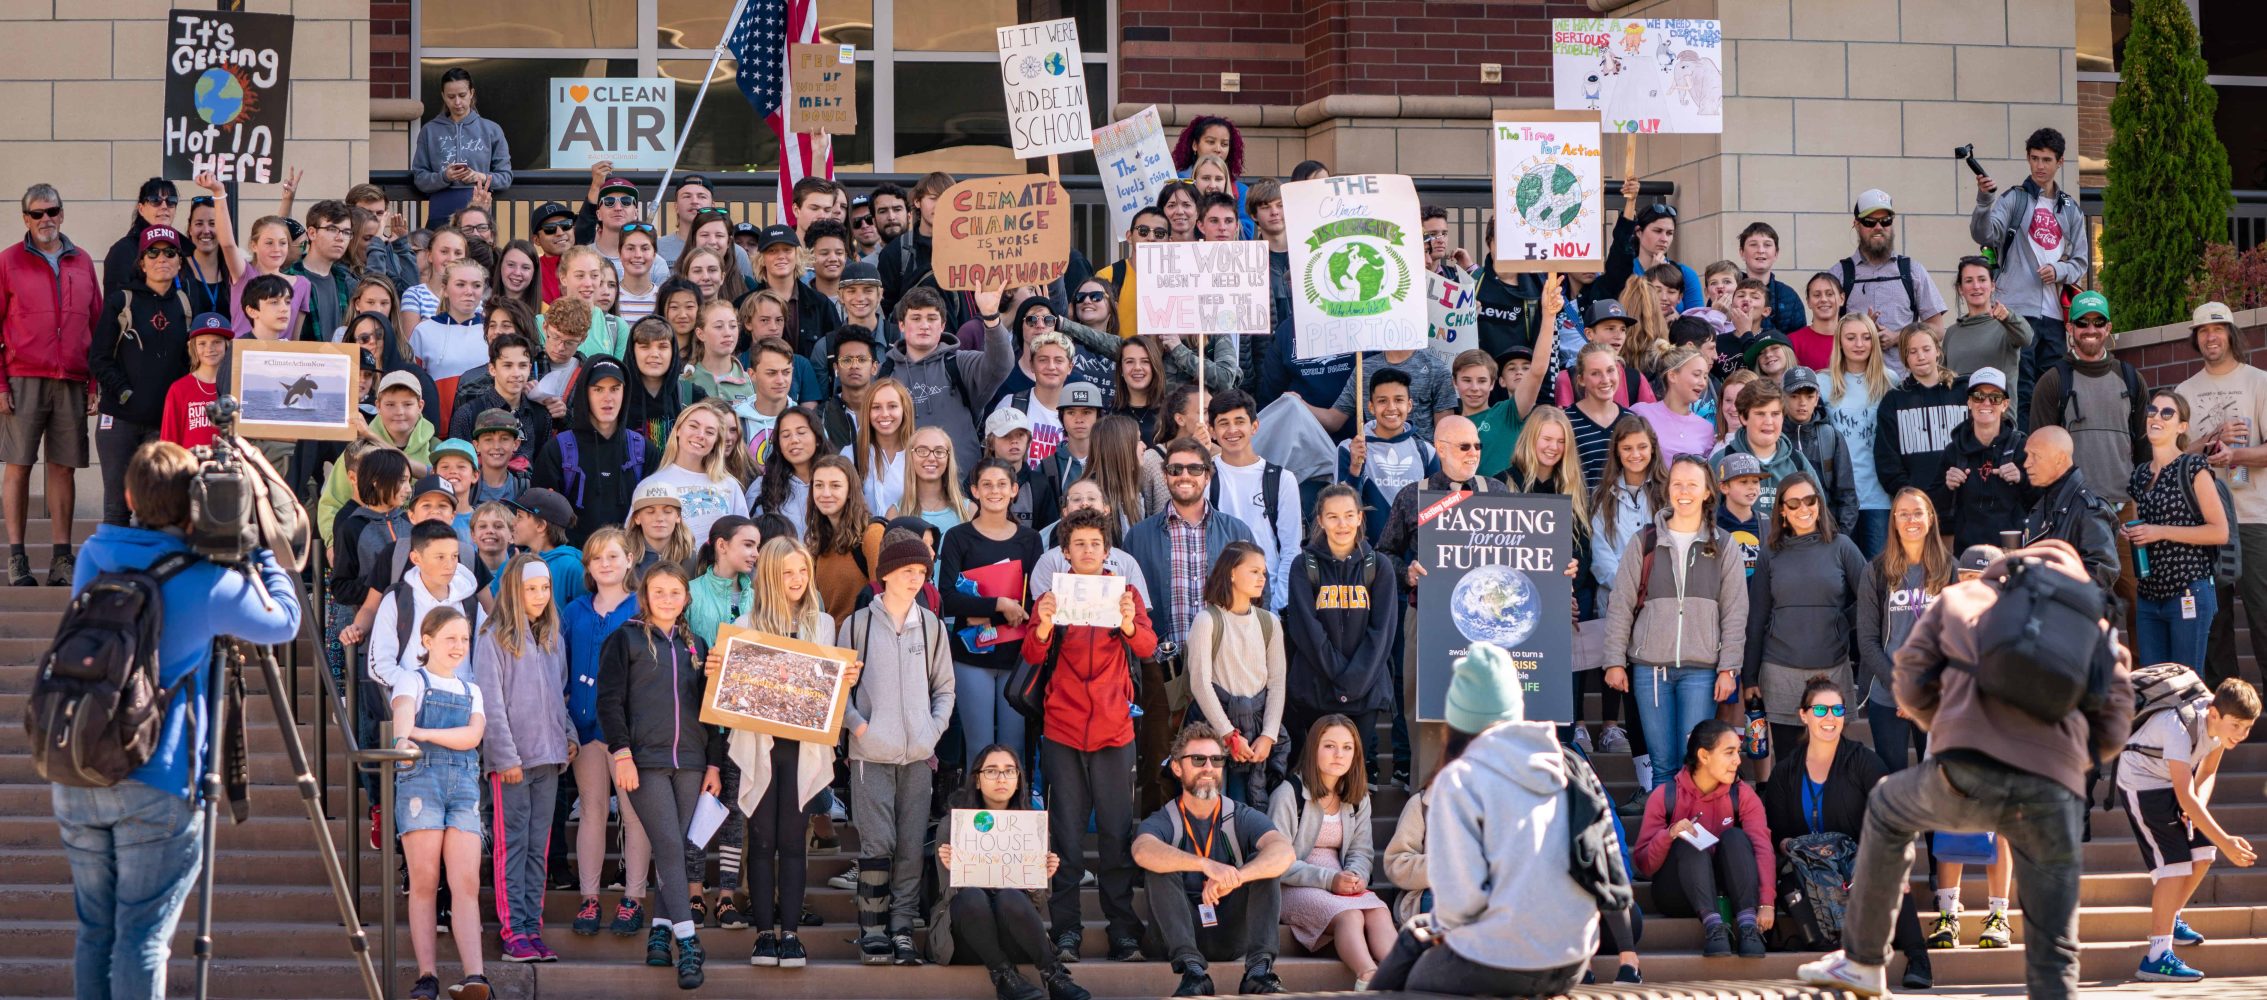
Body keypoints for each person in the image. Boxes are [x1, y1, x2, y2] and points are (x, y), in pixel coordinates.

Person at [1800, 541, 2135, 1000]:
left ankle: (1865, 961)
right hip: (2052, 789)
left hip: (1964, 773)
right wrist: (2070, 758)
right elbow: (2116, 725)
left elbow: (1911, 678)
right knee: (2053, 956)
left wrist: (1951, 724)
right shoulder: (2094, 628)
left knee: (1886, 805)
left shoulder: (1962, 598)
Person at [55, 440, 302, 998]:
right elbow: (283, 622)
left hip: (80, 765)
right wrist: (260, 553)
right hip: (158, 777)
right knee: (141, 937)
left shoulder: (95, 554)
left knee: (96, 931)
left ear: (125, 495)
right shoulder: (209, 582)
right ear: (196, 501)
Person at [1371, 643, 1617, 995]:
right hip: (1574, 953)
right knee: (1417, 935)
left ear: (1455, 719)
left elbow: (1461, 903)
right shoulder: (1566, 767)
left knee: (1415, 976)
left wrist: (1447, 929)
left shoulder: (1461, 780)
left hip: (1505, 956)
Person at [708, 536, 850, 970]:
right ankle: (763, 935)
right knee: (763, 840)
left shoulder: (823, 623)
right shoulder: (748, 622)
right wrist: (719, 669)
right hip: (759, 745)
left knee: (792, 841)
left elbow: (826, 692)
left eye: (802, 571)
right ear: (770, 575)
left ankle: (791, 934)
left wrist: (846, 678)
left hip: (803, 749)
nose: (796, 579)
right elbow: (731, 694)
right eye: (787, 571)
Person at [1024, 505, 1156, 964]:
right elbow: (1031, 652)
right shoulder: (1055, 593)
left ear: (1107, 551)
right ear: (1065, 551)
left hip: (1115, 731)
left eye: (1094, 544)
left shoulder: (1126, 591)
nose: (1086, 550)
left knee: (1117, 837)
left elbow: (1148, 646)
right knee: (1065, 837)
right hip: (1062, 728)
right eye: (1078, 544)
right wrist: (1042, 623)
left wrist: (1127, 622)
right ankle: (1066, 933)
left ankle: (1122, 931)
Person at [1758, 676, 1933, 990]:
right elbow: (1775, 831)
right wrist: (1796, 846)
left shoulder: (1864, 762)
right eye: (1821, 709)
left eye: (1837, 711)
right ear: (1803, 715)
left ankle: (1918, 958)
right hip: (1805, 869)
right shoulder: (1786, 770)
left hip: (1855, 861)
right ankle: (1831, 954)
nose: (1830, 718)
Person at [595, 562, 722, 989]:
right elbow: (609, 702)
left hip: (691, 761)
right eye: (659, 592)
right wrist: (622, 753)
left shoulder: (697, 645)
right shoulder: (624, 639)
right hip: (644, 761)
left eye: (675, 592)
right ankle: (688, 942)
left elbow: (713, 711)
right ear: (645, 596)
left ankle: (660, 933)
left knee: (682, 846)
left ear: (686, 598)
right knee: (668, 843)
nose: (667, 599)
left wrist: (714, 764)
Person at [839, 534, 957, 965]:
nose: (916, 579)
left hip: (918, 756)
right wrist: (859, 726)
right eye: (908, 571)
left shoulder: (931, 626)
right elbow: (840, 687)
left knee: (910, 843)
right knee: (878, 842)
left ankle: (902, 927)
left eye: (922, 572)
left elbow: (945, 687)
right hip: (871, 754)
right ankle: (872, 927)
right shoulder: (856, 625)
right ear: (885, 574)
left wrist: (932, 729)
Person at [1124, 439, 1258, 807]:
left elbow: (1254, 599)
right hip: (1161, 667)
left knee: (1216, 765)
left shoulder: (1236, 532)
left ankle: (1214, 850)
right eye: (1175, 469)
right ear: (1165, 475)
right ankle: (1159, 855)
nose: (1184, 476)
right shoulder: (1139, 535)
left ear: (1208, 474)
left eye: (1194, 468)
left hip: (1221, 668)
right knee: (1159, 764)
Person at [1603, 454, 1749, 790]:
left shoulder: (1724, 544)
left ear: (1708, 492)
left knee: (1695, 763)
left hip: (1701, 671)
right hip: (1650, 671)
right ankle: (1664, 838)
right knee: (1663, 765)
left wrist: (1729, 668)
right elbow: (1621, 603)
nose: (1683, 491)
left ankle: (1693, 841)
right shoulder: (1645, 541)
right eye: (1677, 483)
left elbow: (1736, 611)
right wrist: (1613, 661)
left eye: (1692, 484)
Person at [1133, 722, 1294, 997]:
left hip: (1230, 931)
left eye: (1216, 759)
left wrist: (1235, 878)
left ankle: (1258, 972)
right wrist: (1205, 864)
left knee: (1264, 862)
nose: (1208, 767)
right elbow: (1141, 850)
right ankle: (1193, 973)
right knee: (1159, 865)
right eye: (1198, 759)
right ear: (1176, 768)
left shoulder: (1238, 814)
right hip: (1177, 934)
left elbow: (1284, 851)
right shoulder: (1164, 819)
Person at [2120, 676, 2259, 983]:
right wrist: (2225, 841)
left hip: (2172, 781)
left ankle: (2172, 916)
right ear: (2214, 714)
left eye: (2247, 728)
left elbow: (2207, 772)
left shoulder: (2218, 727)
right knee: (2176, 867)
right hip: (2141, 784)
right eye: (2236, 725)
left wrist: (2195, 810)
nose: (2242, 734)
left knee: (2203, 854)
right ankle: (2156, 957)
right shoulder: (2179, 726)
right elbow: (2184, 793)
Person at [473, 555, 575, 965]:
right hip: (513, 763)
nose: (539, 595)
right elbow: (491, 704)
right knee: (512, 846)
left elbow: (560, 694)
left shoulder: (552, 636)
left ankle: (533, 927)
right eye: (531, 588)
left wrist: (568, 735)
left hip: (549, 761)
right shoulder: (493, 637)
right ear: (514, 590)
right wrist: (504, 756)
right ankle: (512, 929)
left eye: (545, 588)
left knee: (539, 847)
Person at [929, 744, 1091, 1000]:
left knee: (1010, 897)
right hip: (965, 937)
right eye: (991, 771)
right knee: (970, 896)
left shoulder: (1032, 827)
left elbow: (1037, 904)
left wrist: (1041, 876)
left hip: (1016, 936)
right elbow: (950, 899)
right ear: (978, 781)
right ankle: (1003, 975)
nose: (1001, 778)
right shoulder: (953, 826)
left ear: (1018, 780)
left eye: (1009, 771)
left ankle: (1055, 975)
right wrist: (955, 871)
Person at [390, 607, 493, 1000]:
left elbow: (473, 736)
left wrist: (420, 731)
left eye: (464, 639)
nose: (459, 646)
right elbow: (402, 717)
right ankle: (427, 976)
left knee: (465, 882)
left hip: (464, 788)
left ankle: (475, 977)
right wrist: (405, 737)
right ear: (427, 640)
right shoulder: (411, 679)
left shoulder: (473, 689)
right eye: (450, 638)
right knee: (424, 881)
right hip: (422, 784)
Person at [2, 183, 100, 586]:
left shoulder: (82, 262)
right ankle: (18, 557)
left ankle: (62, 558)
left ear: (62, 213)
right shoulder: (8, 262)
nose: (46, 220)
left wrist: (94, 382)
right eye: (37, 213)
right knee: (19, 466)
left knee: (63, 469)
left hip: (72, 378)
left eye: (52, 211)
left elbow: (96, 324)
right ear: (25, 218)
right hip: (23, 376)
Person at [559, 528, 654, 938]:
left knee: (634, 815)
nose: (605, 564)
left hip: (627, 732)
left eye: (613, 556)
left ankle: (633, 898)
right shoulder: (574, 611)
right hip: (584, 728)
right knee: (593, 811)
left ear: (630, 560)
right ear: (588, 566)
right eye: (597, 558)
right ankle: (590, 897)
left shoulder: (642, 608)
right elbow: (559, 667)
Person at [2031, 290, 2145, 628]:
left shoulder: (2130, 378)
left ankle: (2139, 680)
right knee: (2082, 609)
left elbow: (2145, 449)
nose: (2090, 329)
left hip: (2126, 513)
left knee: (2141, 605)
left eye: (2097, 322)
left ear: (2108, 327)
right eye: (2082, 322)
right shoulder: (2053, 382)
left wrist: (2142, 502)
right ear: (2070, 327)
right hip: (2076, 517)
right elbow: (2038, 454)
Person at [1741, 471, 1869, 768]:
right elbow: (1757, 617)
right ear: (1782, 511)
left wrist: (1842, 621)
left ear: (1820, 504)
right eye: (1794, 503)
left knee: (1831, 762)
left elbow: (1871, 597)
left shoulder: (1842, 546)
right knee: (1788, 764)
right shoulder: (1770, 554)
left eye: (1810, 500)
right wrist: (1749, 677)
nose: (1803, 509)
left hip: (1833, 669)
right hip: (1779, 671)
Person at [2178, 302, 2267, 690]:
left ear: (2231, 333)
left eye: (2217, 328)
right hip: (2205, 524)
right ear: (2195, 339)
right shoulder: (2184, 391)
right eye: (2202, 331)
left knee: (2263, 618)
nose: (2210, 336)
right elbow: (2176, 458)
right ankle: (2224, 711)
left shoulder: (2259, 382)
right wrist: (2212, 441)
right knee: (2213, 626)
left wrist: (2238, 455)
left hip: (2253, 518)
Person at [1283, 484, 1399, 775]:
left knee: (1354, 775)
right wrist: (1339, 678)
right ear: (1320, 521)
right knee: (1317, 774)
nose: (1342, 524)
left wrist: (1352, 684)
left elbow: (1382, 633)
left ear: (1360, 517)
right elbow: (1306, 629)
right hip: (1316, 688)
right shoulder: (1303, 565)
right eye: (1333, 517)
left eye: (1349, 515)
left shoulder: (1379, 566)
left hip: (1365, 692)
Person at [1269, 717, 1393, 989]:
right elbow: (1276, 862)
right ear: (1314, 748)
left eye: (1347, 748)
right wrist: (1329, 880)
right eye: (1330, 746)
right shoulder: (1289, 795)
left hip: (1340, 883)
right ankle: (1368, 977)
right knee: (1350, 915)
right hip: (1293, 886)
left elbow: (1362, 850)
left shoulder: (1358, 798)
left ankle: (1402, 975)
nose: (1339, 754)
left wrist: (1358, 875)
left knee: (1378, 910)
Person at [1634, 720, 1775, 958]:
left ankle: (1748, 925)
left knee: (1735, 837)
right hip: (1677, 892)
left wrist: (1766, 903)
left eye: (1738, 752)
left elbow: (1762, 849)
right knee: (1687, 839)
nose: (1738, 761)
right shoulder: (1665, 795)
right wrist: (1669, 835)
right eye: (1729, 753)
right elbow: (1645, 864)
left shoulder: (1742, 794)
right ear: (1704, 755)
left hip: (1729, 888)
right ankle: (1714, 928)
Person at [1970, 127, 2086, 415]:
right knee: (2020, 390)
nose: (2039, 166)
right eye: (2034, 159)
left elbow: (2081, 262)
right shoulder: (2015, 198)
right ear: (2028, 158)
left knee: (2054, 392)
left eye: (2046, 160)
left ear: (2060, 162)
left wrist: (2059, 270)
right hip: (2017, 311)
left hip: (2055, 317)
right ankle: (2021, 456)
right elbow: (1984, 235)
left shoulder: (2070, 208)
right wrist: (1984, 200)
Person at [89, 224, 190, 528]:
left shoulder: (185, 305)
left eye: (170, 252)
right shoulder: (122, 301)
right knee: (117, 506)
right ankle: (114, 573)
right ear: (142, 261)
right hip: (119, 420)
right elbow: (98, 358)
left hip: (163, 424)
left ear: (180, 261)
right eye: (153, 252)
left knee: (158, 509)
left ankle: (153, 575)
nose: (162, 258)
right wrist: (123, 392)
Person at [2127, 390, 2229, 671]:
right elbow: (2143, 530)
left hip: (2188, 591)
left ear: (2182, 426)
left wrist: (2159, 531)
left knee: (2185, 687)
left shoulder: (2193, 466)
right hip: (2149, 596)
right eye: (2152, 411)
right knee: (2155, 689)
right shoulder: (2139, 474)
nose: (2156, 417)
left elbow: (2220, 532)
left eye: (2166, 413)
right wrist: (2135, 534)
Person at [1855, 487, 1954, 774]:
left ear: (1931, 518)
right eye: (1903, 514)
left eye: (1918, 512)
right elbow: (1868, 640)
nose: (1911, 520)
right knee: (1892, 779)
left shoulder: (1950, 570)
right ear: (1894, 521)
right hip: (1888, 695)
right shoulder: (1875, 571)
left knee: (1935, 779)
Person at [880, 287, 1013, 473]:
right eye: (916, 318)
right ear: (901, 325)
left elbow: (1001, 364)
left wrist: (991, 316)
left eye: (932, 318)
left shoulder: (960, 363)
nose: (924, 325)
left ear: (942, 325)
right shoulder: (884, 374)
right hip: (905, 488)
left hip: (961, 487)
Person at [533, 358, 658, 547]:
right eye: (598, 389)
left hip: (630, 562)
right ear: (585, 393)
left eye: (615, 389)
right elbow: (542, 520)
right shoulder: (557, 450)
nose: (608, 398)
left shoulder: (643, 450)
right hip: (575, 563)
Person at [1934, 367, 2033, 552]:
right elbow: (1934, 507)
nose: (1986, 403)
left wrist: (2022, 479)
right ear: (1969, 402)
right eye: (1979, 396)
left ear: (2005, 404)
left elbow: (2042, 499)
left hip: (2012, 552)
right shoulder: (1954, 450)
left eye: (1995, 398)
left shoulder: (2021, 447)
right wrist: (1948, 486)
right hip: (1967, 552)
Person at [2021, 425, 2122, 605]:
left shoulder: (2089, 508)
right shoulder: (2041, 505)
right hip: (2044, 616)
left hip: (2074, 621)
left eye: (2035, 455)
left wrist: (2055, 591)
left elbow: (2102, 571)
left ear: (2060, 459)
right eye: (2027, 455)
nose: (2026, 463)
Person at [1872, 323, 1966, 504]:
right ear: (1904, 357)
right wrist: (1910, 496)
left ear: (1937, 351)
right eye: (1912, 351)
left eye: (1926, 349)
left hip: (1963, 506)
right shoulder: (1894, 401)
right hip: (1917, 509)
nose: (1921, 356)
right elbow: (1887, 462)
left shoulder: (1963, 392)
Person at [1838, 189, 1948, 335]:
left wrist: (1898, 337)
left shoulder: (1913, 271)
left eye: (1886, 221)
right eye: (1869, 222)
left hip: (1901, 359)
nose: (1878, 227)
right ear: (1856, 225)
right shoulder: (1839, 274)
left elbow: (1938, 330)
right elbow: (1825, 330)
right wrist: (1863, 332)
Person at [410, 68, 512, 222]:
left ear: (471, 93)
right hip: (441, 206)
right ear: (443, 96)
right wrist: (444, 176)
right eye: (451, 96)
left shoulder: (491, 130)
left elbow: (505, 177)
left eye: (462, 95)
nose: (457, 102)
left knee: (476, 246)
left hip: (477, 208)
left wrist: (480, 177)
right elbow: (419, 177)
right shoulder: (429, 131)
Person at [1943, 258, 2034, 420]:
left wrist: (2008, 317)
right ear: (1960, 289)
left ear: (1992, 286)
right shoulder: (1951, 333)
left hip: (2000, 427)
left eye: (1982, 280)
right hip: (1957, 426)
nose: (1976, 286)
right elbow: (1943, 380)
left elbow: (2027, 338)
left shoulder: (2006, 325)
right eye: (1969, 281)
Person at [159, 313, 230, 450]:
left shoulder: (236, 386)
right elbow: (168, 442)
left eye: (217, 342)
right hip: (192, 468)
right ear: (192, 346)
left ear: (227, 345)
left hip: (231, 467)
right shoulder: (179, 389)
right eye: (202, 343)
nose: (210, 349)